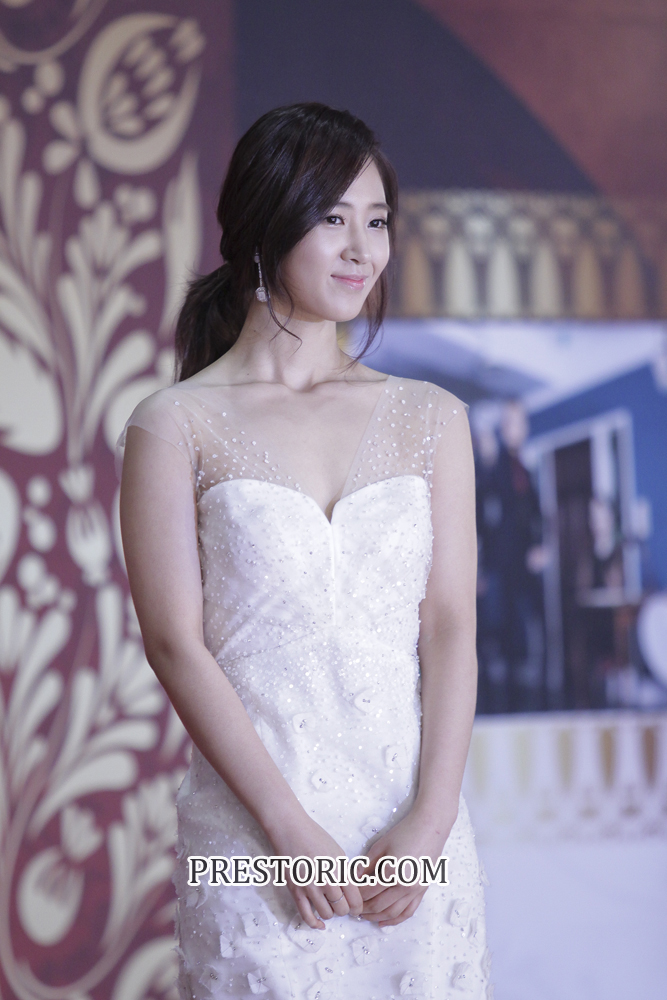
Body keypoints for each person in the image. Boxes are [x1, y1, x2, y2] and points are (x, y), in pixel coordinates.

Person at [118, 103, 490, 1000]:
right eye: (332, 219)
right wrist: (286, 828)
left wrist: (432, 818)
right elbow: (173, 644)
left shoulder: (431, 417)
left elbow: (448, 627)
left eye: (377, 222)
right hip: (253, 848)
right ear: (264, 225)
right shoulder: (175, 424)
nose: (362, 250)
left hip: (414, 844)